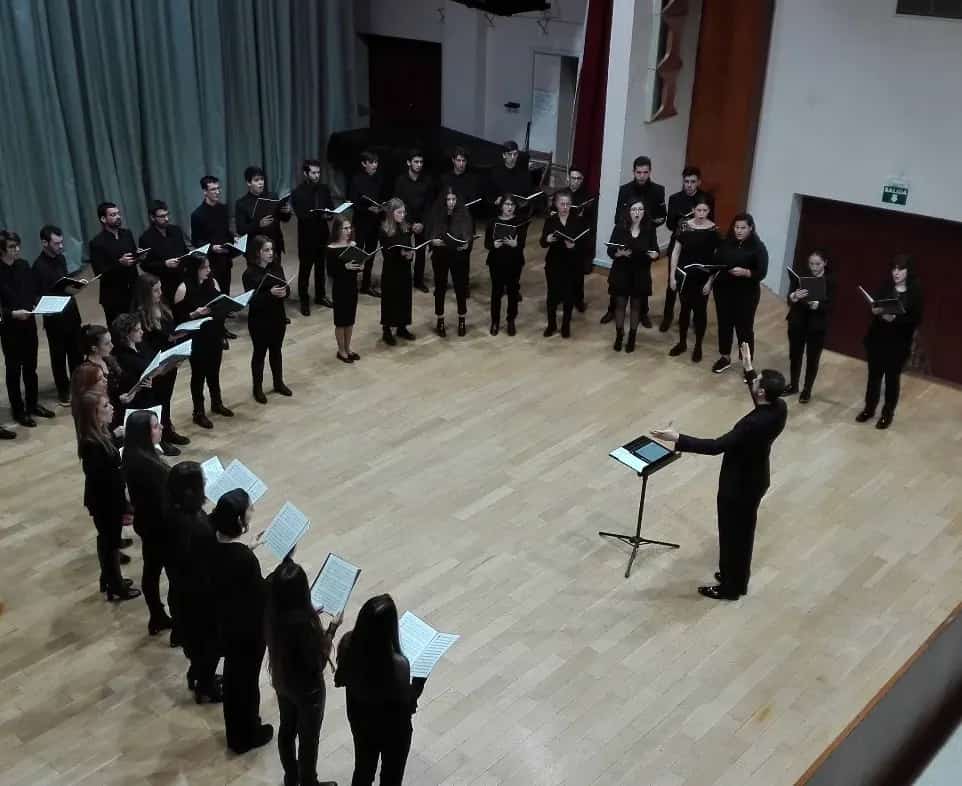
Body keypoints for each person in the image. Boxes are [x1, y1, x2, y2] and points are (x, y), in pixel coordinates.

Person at [651, 343, 787, 600]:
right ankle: (736, 578)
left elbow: (715, 447)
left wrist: (677, 437)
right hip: (756, 479)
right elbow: (760, 401)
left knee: (732, 534)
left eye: (756, 381)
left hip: (738, 487)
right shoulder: (778, 408)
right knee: (743, 535)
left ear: (762, 392)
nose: (753, 381)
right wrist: (748, 367)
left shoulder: (752, 425)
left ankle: (730, 588)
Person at [335, 594, 427, 786]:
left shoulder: (347, 644)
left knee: (363, 768)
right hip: (393, 730)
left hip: (360, 721)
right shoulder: (398, 664)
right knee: (391, 776)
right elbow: (407, 702)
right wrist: (420, 680)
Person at [265, 559, 341, 786]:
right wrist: (332, 629)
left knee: (287, 730)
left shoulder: (272, 615)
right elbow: (317, 661)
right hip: (308, 690)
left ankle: (291, 777)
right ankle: (309, 782)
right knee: (309, 739)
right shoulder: (305, 625)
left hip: (282, 680)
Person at [209, 490, 274, 754]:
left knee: (236, 680)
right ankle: (246, 734)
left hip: (225, 623)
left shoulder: (213, 543)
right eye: (249, 509)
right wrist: (278, 576)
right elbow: (260, 595)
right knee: (246, 684)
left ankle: (238, 730)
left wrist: (248, 548)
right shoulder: (243, 559)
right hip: (247, 632)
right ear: (238, 519)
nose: (252, 512)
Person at [76, 391, 140, 601]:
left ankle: (109, 579)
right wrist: (124, 507)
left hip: (106, 499)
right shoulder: (92, 446)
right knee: (110, 543)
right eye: (105, 406)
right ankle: (115, 585)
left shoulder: (100, 435)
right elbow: (106, 482)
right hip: (106, 502)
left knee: (108, 541)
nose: (112, 407)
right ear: (94, 415)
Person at [167, 461, 221, 701]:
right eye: (203, 482)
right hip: (199, 599)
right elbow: (209, 563)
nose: (206, 485)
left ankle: (197, 674)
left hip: (183, 594)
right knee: (208, 646)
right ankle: (205, 687)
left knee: (198, 646)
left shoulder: (175, 511)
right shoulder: (195, 528)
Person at [856, 253, 923, 430]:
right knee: (874, 378)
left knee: (892, 380)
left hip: (898, 344)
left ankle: (887, 414)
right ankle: (869, 409)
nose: (896, 272)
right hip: (878, 339)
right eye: (894, 268)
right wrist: (876, 311)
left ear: (908, 271)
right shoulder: (886, 286)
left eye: (900, 269)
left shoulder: (915, 292)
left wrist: (894, 319)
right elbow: (875, 305)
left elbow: (915, 319)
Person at [122, 409, 174, 635]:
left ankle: (157, 615)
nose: (161, 427)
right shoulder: (147, 465)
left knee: (151, 570)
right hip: (159, 526)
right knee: (170, 574)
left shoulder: (134, 453)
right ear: (144, 433)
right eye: (155, 426)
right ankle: (165, 617)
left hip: (147, 522)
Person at [602, 156, 667, 324]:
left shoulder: (658, 190)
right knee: (620, 275)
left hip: (645, 236)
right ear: (634, 172)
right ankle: (612, 309)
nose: (642, 176)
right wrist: (628, 225)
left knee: (642, 276)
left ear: (650, 172)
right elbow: (618, 215)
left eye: (645, 172)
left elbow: (662, 216)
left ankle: (643, 313)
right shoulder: (625, 190)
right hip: (625, 235)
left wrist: (646, 224)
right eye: (639, 172)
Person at [0, 230, 55, 426]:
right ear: (1, 250)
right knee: (14, 370)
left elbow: (31, 290)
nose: (17, 250)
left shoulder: (23, 265)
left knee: (31, 367)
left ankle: (32, 404)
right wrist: (12, 314)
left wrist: (36, 304)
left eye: (17, 246)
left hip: (28, 323)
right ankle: (18, 411)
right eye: (11, 248)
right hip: (9, 327)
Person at [110, 312, 181, 457]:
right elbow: (127, 382)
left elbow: (153, 360)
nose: (142, 331)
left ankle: (160, 439)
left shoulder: (141, 344)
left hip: (150, 391)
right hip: (135, 399)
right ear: (126, 334)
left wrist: (168, 365)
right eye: (137, 330)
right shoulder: (121, 356)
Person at [132, 273, 190, 449]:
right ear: (145, 293)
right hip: (156, 364)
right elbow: (143, 345)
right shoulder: (139, 316)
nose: (160, 293)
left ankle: (168, 429)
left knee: (166, 399)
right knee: (156, 402)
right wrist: (159, 363)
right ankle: (159, 438)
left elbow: (170, 332)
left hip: (169, 360)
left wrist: (177, 347)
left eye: (160, 289)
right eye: (156, 291)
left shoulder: (162, 308)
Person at [173, 255, 233, 427]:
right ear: (194, 269)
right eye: (204, 268)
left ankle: (217, 403)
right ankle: (198, 411)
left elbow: (221, 305)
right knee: (198, 375)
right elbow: (178, 321)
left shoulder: (212, 283)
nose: (208, 270)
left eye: (208, 267)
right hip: (197, 338)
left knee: (214, 372)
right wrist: (194, 314)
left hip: (213, 334)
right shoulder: (183, 289)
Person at [711, 213, 769, 374]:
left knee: (744, 328)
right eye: (736, 227)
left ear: (750, 228)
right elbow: (716, 262)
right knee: (724, 325)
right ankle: (725, 357)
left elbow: (762, 272)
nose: (739, 230)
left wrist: (746, 272)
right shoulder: (727, 243)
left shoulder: (758, 248)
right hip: (723, 290)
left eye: (743, 228)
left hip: (746, 294)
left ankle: (747, 365)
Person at [32, 225, 83, 405]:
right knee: (59, 357)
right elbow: (36, 295)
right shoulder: (37, 266)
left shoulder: (61, 259)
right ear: (44, 243)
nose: (61, 247)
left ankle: (78, 386)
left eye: (61, 243)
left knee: (77, 353)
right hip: (55, 320)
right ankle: (63, 391)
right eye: (56, 243)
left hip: (71, 313)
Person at [661, 166, 715, 332]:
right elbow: (669, 224)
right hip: (679, 242)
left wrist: (697, 220)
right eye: (686, 182)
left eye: (693, 182)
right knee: (673, 282)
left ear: (699, 182)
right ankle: (667, 317)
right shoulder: (675, 198)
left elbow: (712, 221)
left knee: (695, 282)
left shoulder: (706, 198)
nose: (689, 185)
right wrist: (681, 221)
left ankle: (692, 317)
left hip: (699, 247)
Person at [667, 199, 719, 362]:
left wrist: (710, 282)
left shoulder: (713, 230)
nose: (701, 214)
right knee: (684, 310)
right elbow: (676, 252)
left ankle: (698, 346)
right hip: (685, 275)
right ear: (693, 210)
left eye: (705, 210)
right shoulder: (684, 226)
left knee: (700, 313)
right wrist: (672, 276)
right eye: (699, 210)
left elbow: (716, 258)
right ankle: (682, 343)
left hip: (702, 278)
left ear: (708, 211)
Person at [243, 236, 292, 403]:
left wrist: (285, 292)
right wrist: (269, 294)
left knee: (276, 351)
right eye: (266, 250)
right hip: (259, 321)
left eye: (272, 249)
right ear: (257, 252)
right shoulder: (249, 274)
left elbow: (286, 287)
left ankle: (278, 382)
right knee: (259, 354)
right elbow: (251, 301)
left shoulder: (276, 267)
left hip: (277, 317)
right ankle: (257, 388)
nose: (271, 253)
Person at [605, 200, 659, 352]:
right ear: (629, 211)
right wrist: (618, 253)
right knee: (620, 304)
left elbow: (655, 251)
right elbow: (610, 250)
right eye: (634, 209)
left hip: (640, 273)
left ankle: (632, 337)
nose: (637, 212)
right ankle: (619, 335)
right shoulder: (620, 228)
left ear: (644, 212)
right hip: (621, 272)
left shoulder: (649, 229)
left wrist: (655, 255)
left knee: (636, 306)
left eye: (640, 209)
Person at [785, 249, 835, 402]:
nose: (814, 267)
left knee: (812, 359)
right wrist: (794, 296)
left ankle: (807, 390)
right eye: (811, 263)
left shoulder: (830, 281)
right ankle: (793, 385)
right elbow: (790, 298)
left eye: (818, 264)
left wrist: (817, 305)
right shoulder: (800, 277)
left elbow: (831, 306)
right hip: (798, 321)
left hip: (816, 325)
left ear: (825, 263)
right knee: (795, 355)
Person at [540, 189, 589, 338]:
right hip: (554, 263)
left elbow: (584, 243)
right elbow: (542, 242)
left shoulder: (578, 221)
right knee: (552, 296)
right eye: (562, 204)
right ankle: (551, 324)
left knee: (569, 296)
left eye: (568, 204)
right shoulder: (551, 221)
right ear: (556, 204)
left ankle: (565, 325)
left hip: (571, 264)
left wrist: (574, 246)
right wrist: (547, 240)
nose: (565, 207)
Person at [291, 159, 335, 315]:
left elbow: (331, 207)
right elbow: (301, 215)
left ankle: (320, 295)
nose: (316, 176)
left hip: (322, 234)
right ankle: (304, 299)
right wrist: (318, 215)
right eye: (313, 173)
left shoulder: (324, 189)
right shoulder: (297, 193)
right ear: (305, 174)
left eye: (318, 173)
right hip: (307, 236)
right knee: (305, 269)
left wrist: (329, 215)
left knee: (320, 267)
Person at [427, 188, 473, 338]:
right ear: (443, 200)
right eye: (448, 199)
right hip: (440, 255)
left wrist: (467, 243)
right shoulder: (436, 213)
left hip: (458, 255)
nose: (451, 202)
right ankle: (440, 320)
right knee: (440, 287)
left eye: (454, 199)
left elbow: (468, 235)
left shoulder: (463, 213)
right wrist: (433, 241)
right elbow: (430, 233)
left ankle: (462, 320)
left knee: (460, 287)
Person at [89, 202, 139, 326]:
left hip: (133, 289)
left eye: (118, 214)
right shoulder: (97, 243)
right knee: (119, 330)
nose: (118, 217)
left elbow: (133, 255)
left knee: (138, 326)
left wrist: (139, 256)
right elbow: (100, 272)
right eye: (113, 215)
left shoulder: (127, 234)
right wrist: (119, 263)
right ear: (103, 219)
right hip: (113, 295)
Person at [191, 175, 240, 304]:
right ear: (205, 192)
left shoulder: (223, 208)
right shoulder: (197, 215)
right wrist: (212, 247)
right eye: (213, 189)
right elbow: (196, 241)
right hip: (211, 258)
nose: (217, 192)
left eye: (218, 188)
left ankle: (227, 305)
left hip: (225, 255)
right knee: (213, 286)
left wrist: (233, 237)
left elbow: (224, 230)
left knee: (226, 281)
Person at [393, 149, 434, 293]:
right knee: (404, 250)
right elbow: (398, 204)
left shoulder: (427, 180)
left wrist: (422, 223)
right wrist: (409, 223)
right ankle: (402, 280)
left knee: (421, 252)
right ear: (408, 163)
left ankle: (418, 281)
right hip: (406, 221)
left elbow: (429, 204)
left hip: (422, 222)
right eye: (416, 162)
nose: (419, 165)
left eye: (421, 162)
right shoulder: (401, 180)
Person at [484, 194, 525, 336]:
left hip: (514, 261)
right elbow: (486, 244)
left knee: (513, 292)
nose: (509, 207)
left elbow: (522, 243)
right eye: (507, 204)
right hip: (496, 262)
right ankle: (495, 321)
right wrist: (493, 244)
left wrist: (516, 244)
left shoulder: (520, 222)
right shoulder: (492, 222)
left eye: (512, 205)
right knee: (496, 292)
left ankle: (511, 320)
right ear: (501, 206)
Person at [379, 199, 417, 346]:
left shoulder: (406, 227)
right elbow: (386, 253)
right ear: (391, 213)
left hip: (404, 269)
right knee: (390, 299)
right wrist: (400, 253)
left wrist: (410, 255)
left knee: (404, 298)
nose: (402, 215)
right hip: (391, 270)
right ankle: (387, 330)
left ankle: (402, 327)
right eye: (399, 212)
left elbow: (409, 246)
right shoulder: (384, 230)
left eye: (403, 212)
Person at [347, 151, 385, 297]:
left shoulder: (379, 179)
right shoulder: (356, 180)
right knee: (357, 252)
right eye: (372, 162)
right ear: (364, 164)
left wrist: (381, 206)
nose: (375, 165)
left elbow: (382, 197)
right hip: (361, 221)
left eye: (376, 162)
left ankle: (366, 285)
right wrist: (367, 208)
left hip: (375, 222)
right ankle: (351, 284)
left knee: (370, 253)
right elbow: (352, 201)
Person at [327, 217, 364, 363]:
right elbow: (331, 271)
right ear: (337, 230)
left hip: (352, 287)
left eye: (350, 228)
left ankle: (348, 348)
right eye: (345, 228)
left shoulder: (352, 245)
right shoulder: (331, 248)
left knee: (350, 320)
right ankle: (341, 350)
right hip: (340, 288)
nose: (349, 231)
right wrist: (344, 267)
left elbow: (358, 265)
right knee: (341, 321)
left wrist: (360, 266)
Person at [139, 200, 189, 304]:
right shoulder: (146, 238)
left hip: (182, 277)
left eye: (167, 215)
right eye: (162, 216)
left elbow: (184, 250)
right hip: (164, 282)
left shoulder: (176, 230)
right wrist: (165, 264)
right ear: (152, 218)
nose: (166, 219)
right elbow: (145, 265)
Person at [568, 167, 596, 313]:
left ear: (582, 180)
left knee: (578, 272)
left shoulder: (588, 197)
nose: (575, 181)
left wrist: (582, 216)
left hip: (579, 237)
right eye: (573, 178)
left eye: (579, 178)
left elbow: (591, 220)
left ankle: (578, 301)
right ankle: (563, 296)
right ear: (568, 178)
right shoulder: (562, 194)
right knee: (563, 270)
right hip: (565, 236)